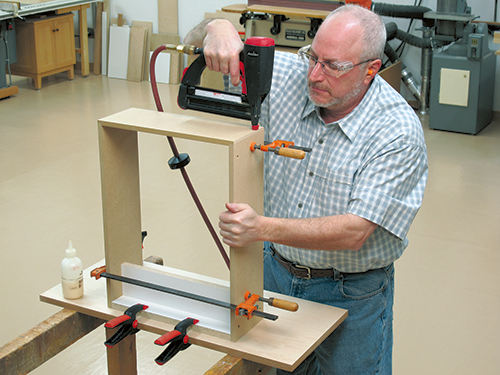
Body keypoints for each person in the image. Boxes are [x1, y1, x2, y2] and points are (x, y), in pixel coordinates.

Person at [185, 4, 428, 374]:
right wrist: (217, 28)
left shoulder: (396, 131)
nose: (314, 75)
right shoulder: (286, 77)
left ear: (370, 70)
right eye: (313, 56)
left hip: (350, 291)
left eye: (332, 65)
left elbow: (354, 230)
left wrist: (259, 229)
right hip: (276, 273)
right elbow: (189, 40)